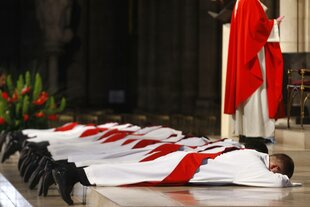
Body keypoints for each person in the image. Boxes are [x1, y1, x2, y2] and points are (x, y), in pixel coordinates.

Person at [52, 148, 296, 205]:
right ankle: (72, 173)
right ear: (275, 167)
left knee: (133, 171)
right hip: (189, 168)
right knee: (133, 173)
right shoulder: (254, 163)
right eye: (277, 171)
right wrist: (289, 181)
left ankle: (74, 173)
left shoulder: (253, 154)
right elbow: (274, 183)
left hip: (189, 163)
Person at [224, 0, 285, 143]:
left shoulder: (240, 2)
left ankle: (245, 131)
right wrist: (274, 23)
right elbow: (257, 27)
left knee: (249, 95)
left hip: (245, 54)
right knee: (256, 92)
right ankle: (256, 132)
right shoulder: (250, 1)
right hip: (254, 57)